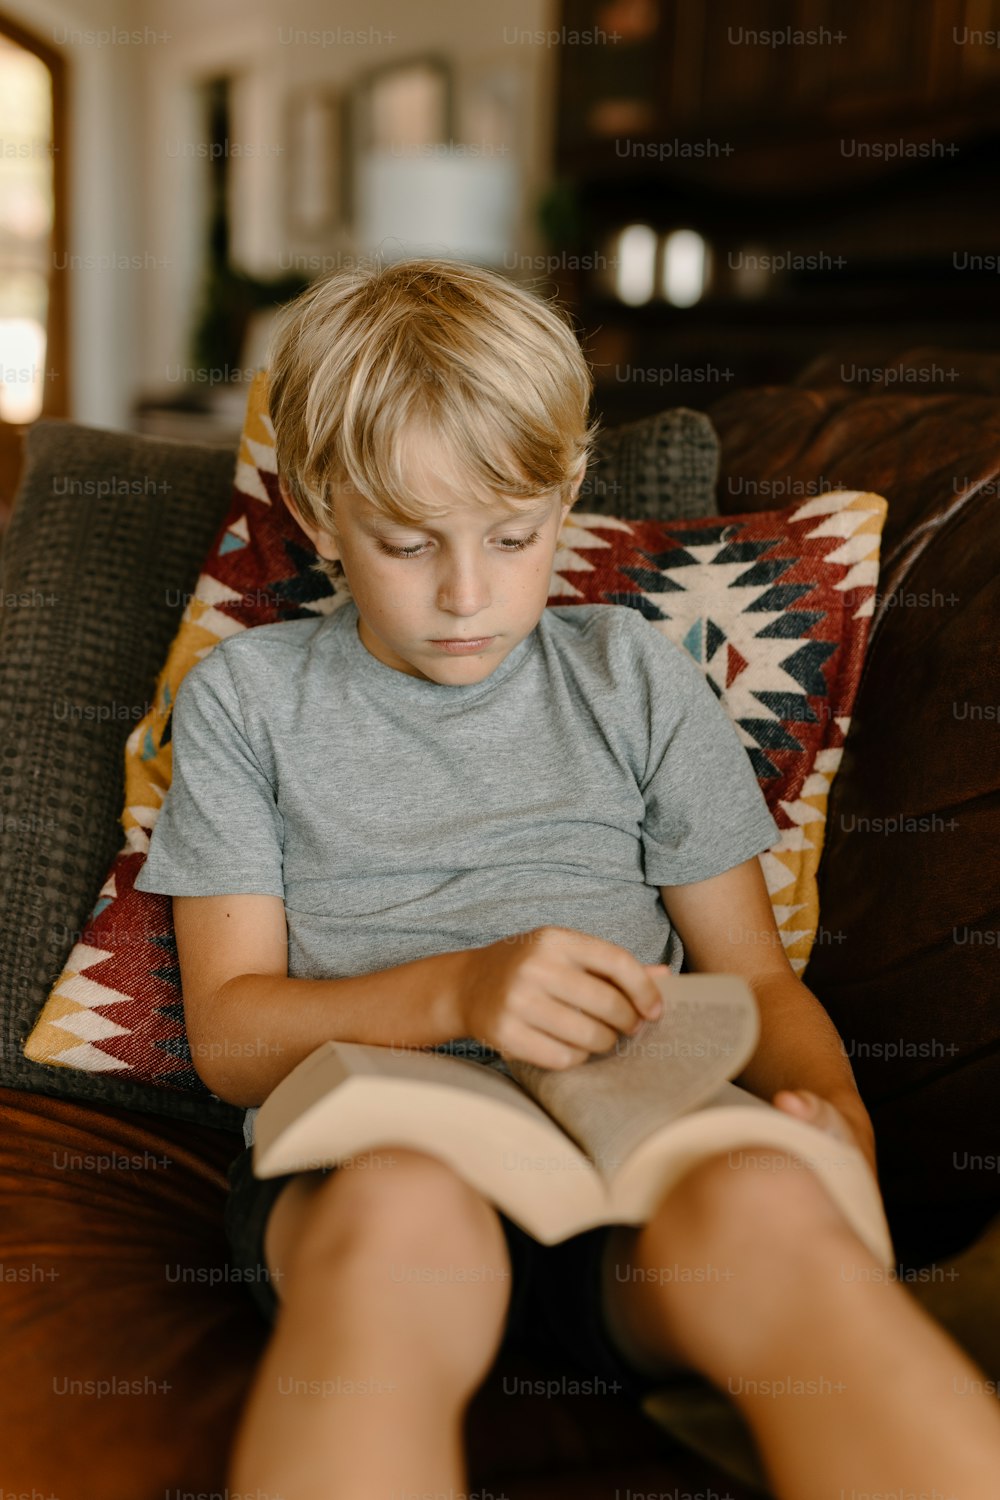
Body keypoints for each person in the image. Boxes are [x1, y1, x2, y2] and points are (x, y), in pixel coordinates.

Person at [136, 258, 1000, 1500]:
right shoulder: (249, 700)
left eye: (511, 536)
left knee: (768, 1211)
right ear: (318, 516)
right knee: (402, 1222)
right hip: (378, 1152)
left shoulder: (636, 678)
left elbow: (752, 978)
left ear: (567, 499)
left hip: (635, 1158)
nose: (466, 594)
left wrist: (838, 1126)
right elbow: (229, 1037)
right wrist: (462, 995)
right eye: (405, 542)